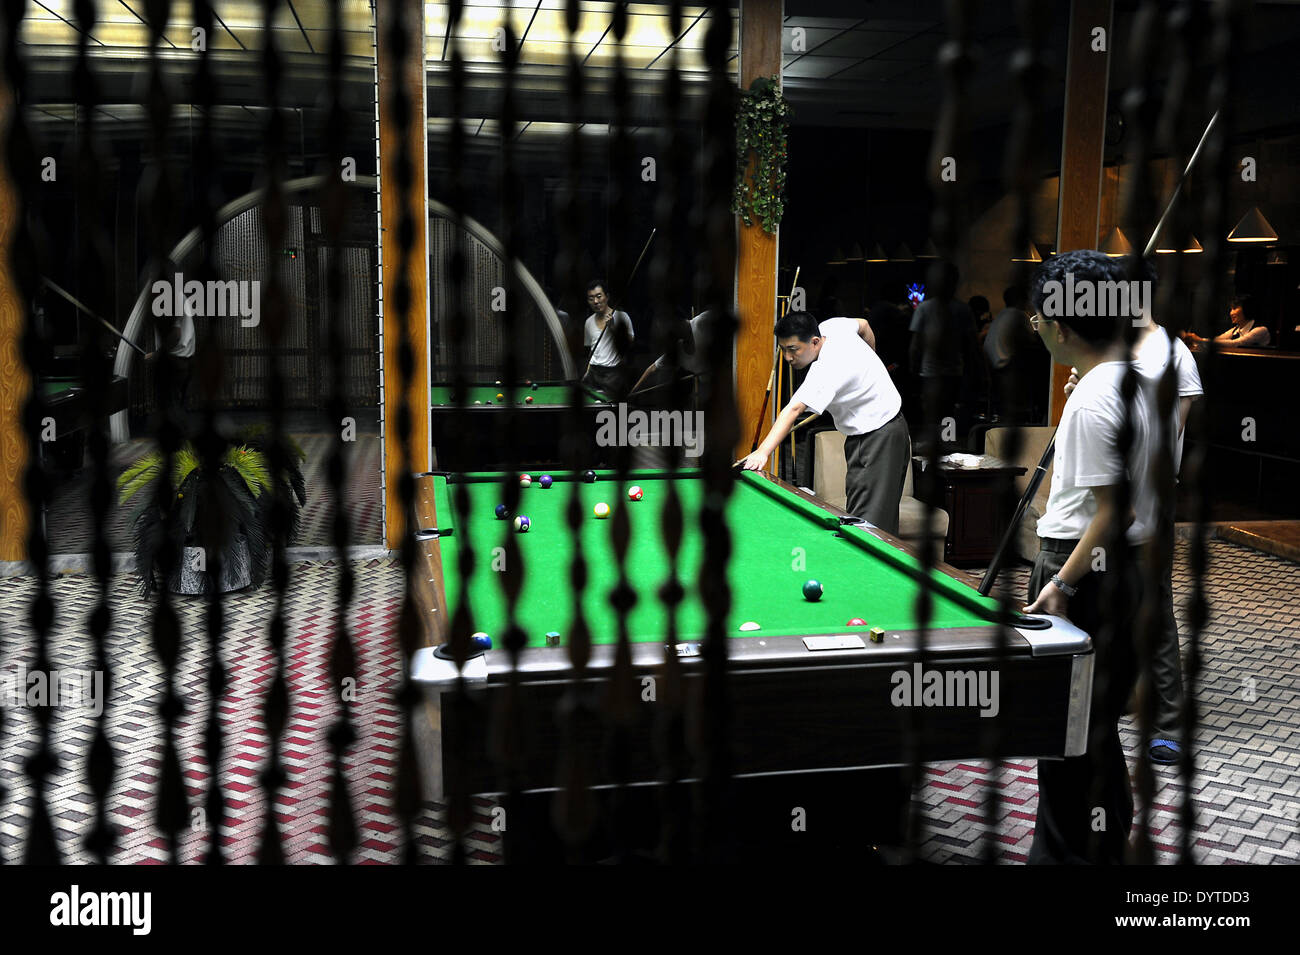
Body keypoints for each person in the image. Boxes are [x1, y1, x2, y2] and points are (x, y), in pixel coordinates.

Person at [1022, 249, 1160, 864]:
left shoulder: (1092, 397)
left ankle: (1067, 856)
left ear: (1065, 327)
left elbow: (1115, 509)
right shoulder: (1137, 377)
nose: (1035, 327)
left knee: (1065, 726)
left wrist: (1062, 586)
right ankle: (1106, 845)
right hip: (1126, 570)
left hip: (1084, 569)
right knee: (1095, 725)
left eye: (1038, 317)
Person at [1062, 278, 1203, 768]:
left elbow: (1169, 428)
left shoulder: (1173, 353)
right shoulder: (1117, 351)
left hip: (1151, 496)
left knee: (1155, 609)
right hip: (1122, 497)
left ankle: (1168, 722)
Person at [741, 312, 909, 534]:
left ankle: (860, 568)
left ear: (815, 342)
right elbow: (864, 325)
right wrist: (872, 358)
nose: (788, 357)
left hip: (877, 437)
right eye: (783, 349)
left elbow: (792, 409)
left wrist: (762, 452)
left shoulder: (827, 369)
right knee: (880, 515)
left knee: (866, 525)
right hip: (891, 427)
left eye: (793, 349)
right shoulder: (832, 327)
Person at [908, 261, 976, 441]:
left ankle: (934, 446)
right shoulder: (962, 309)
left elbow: (916, 344)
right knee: (948, 412)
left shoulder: (925, 308)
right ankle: (947, 445)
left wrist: (913, 370)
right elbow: (970, 345)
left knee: (932, 412)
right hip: (952, 371)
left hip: (931, 371)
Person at [984, 285, 1049, 422]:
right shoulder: (1019, 315)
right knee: (1043, 367)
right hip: (1007, 369)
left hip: (993, 368)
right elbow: (1033, 341)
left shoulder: (1001, 315)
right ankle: (1039, 412)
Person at [629, 309, 715, 405]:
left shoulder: (701, 321)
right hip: (713, 388)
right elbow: (652, 368)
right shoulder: (678, 350)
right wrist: (633, 392)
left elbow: (731, 312)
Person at [582, 279, 635, 400]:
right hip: (593, 373)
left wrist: (613, 328)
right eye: (591, 298)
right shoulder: (588, 322)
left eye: (599, 296)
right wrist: (587, 371)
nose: (595, 301)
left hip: (613, 374)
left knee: (608, 410)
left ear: (607, 297)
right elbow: (592, 350)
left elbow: (630, 344)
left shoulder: (622, 317)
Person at [145, 298, 196, 410]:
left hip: (176, 361)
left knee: (171, 409)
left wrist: (156, 355)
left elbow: (175, 335)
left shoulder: (171, 297)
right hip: (182, 360)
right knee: (179, 409)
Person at [1185, 293, 1270, 348]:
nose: (1231, 313)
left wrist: (1199, 340)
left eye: (1234, 308)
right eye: (1231, 309)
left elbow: (1236, 343)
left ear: (1247, 309)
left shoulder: (1260, 330)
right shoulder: (1235, 330)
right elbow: (1218, 340)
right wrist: (1195, 342)